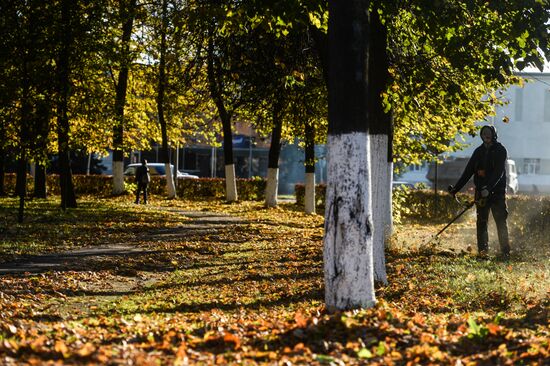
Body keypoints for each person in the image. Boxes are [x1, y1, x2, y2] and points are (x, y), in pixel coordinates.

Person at [448, 125, 510, 259]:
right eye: (483, 134)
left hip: (497, 193)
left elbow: (499, 172)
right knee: (481, 223)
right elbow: (468, 171)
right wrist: (456, 189)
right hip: (481, 194)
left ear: (494, 134)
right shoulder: (478, 152)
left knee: (500, 222)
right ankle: (483, 252)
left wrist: (489, 188)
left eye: (488, 134)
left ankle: (505, 252)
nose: (486, 136)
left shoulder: (500, 150)